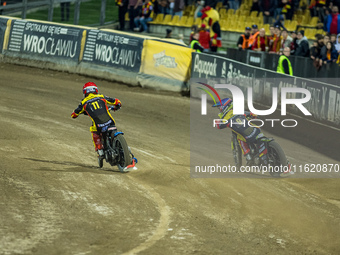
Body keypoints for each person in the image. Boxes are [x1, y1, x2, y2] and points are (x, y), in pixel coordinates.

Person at [71, 82, 122, 159]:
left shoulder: (84, 102)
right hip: (110, 122)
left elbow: (74, 115)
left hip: (98, 126)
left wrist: (76, 113)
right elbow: (117, 101)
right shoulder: (101, 97)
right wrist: (117, 106)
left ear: (85, 92)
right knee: (112, 125)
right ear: (96, 90)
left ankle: (99, 150)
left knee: (93, 129)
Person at [212, 98, 269, 165]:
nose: (220, 110)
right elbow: (251, 114)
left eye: (220, 108)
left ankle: (248, 156)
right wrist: (255, 116)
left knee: (240, 137)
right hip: (256, 130)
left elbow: (219, 126)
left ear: (225, 107)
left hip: (246, 136)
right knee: (253, 126)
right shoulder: (238, 111)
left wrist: (216, 122)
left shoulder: (225, 117)